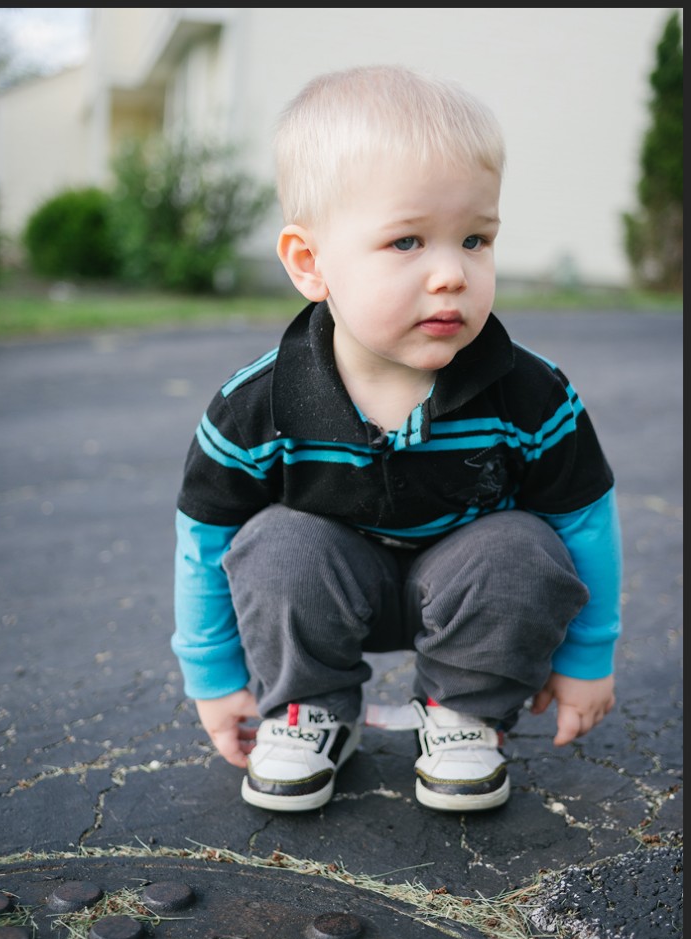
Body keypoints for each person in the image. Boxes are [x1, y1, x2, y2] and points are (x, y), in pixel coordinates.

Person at [171, 65, 621, 814]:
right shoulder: (256, 405)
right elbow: (204, 538)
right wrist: (214, 679)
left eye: (475, 239)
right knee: (274, 543)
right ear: (309, 263)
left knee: (523, 548)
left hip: (468, 592)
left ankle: (463, 711)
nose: (451, 274)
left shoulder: (531, 393)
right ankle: (308, 710)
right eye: (407, 241)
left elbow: (586, 520)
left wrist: (587, 658)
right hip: (326, 587)